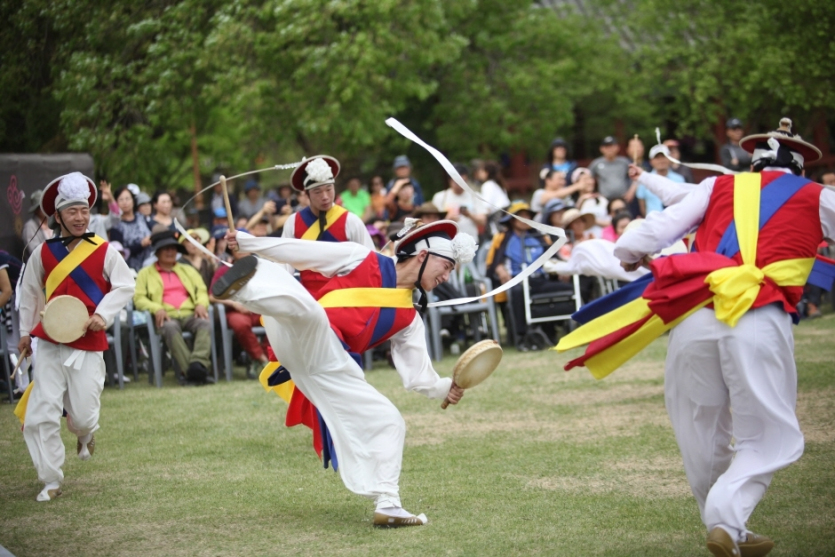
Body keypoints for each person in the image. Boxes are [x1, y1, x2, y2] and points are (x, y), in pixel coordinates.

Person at [559, 118, 831, 557]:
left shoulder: (716, 187)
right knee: (768, 434)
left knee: (701, 430)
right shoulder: (819, 196)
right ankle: (726, 518)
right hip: (757, 315)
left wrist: (628, 255)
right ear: (800, 167)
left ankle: (729, 530)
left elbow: (652, 229)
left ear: (753, 163)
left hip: (696, 316)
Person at [214, 219, 474, 526]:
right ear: (422, 256)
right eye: (445, 266)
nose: (446, 276)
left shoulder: (410, 318)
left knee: (390, 422)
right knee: (307, 309)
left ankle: (388, 503)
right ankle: (244, 286)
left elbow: (417, 374)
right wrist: (247, 244)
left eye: (450, 271)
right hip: (295, 338)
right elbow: (299, 251)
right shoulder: (360, 257)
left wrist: (446, 387)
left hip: (330, 367)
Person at [16, 172, 135, 501]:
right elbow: (27, 295)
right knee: (42, 411)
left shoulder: (105, 250)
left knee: (82, 415)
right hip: (50, 340)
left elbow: (126, 284)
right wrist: (26, 333)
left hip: (87, 341)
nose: (80, 217)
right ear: (58, 216)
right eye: (72, 211)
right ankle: (50, 478)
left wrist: (102, 314)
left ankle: (85, 433)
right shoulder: (42, 253)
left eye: (84, 210)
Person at [281, 155, 375, 297]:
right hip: (308, 298)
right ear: (307, 194)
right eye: (317, 192)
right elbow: (284, 265)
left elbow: (370, 262)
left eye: (329, 189)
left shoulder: (351, 221)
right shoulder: (293, 222)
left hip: (345, 296)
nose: (325, 196)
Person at [486, 202, 571, 349]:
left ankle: (561, 331)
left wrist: (563, 270)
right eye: (520, 216)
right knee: (518, 292)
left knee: (567, 288)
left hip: (540, 279)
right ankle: (522, 337)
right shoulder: (502, 237)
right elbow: (493, 263)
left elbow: (554, 257)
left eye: (527, 216)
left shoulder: (539, 236)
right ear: (512, 219)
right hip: (517, 280)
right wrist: (500, 269)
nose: (524, 219)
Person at [133, 230, 214, 385]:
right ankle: (192, 372)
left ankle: (197, 364)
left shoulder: (188, 270)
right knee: (170, 328)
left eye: (173, 248)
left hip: (190, 314)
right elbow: (139, 298)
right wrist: (156, 308)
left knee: (205, 323)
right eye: (165, 248)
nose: (170, 252)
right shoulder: (145, 273)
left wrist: (200, 304)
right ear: (157, 252)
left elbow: (202, 290)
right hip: (166, 316)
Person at [209, 247, 269, 379]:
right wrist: (234, 304)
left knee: (274, 319)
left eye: (244, 247)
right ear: (231, 251)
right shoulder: (224, 270)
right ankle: (263, 360)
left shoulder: (260, 270)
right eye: (237, 248)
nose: (241, 250)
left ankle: (260, 359)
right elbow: (212, 295)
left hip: (258, 309)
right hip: (236, 312)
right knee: (240, 324)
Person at [432, 164, 487, 241]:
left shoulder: (475, 196)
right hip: (447, 242)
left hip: (470, 242)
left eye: (462, 181)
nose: (459, 185)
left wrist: (469, 214)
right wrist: (447, 219)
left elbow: (483, 221)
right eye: (456, 182)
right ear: (450, 180)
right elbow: (432, 223)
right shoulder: (440, 197)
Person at [111, 186, 152, 271]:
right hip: (130, 270)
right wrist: (141, 245)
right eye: (121, 199)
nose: (125, 202)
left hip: (150, 266)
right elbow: (119, 252)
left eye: (127, 198)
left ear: (133, 201)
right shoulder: (116, 226)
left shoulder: (141, 217)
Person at [636, 145, 685, 216]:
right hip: (652, 223)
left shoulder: (679, 179)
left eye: (664, 156)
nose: (661, 160)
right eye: (657, 158)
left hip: (674, 221)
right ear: (651, 161)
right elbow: (642, 206)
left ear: (669, 158)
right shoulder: (644, 180)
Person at [589, 136, 632, 202]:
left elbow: (635, 177)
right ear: (601, 149)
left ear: (617, 147)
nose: (609, 149)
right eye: (606, 147)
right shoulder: (596, 163)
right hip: (604, 199)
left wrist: (631, 191)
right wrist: (592, 193)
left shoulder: (625, 162)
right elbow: (587, 178)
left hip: (623, 199)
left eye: (612, 146)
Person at [475, 161, 511, 235]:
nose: (479, 173)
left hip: (498, 217)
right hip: (505, 214)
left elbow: (487, 207)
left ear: (486, 172)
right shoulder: (498, 184)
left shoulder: (488, 185)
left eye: (481, 171)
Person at [572, 168, 609, 238]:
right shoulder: (571, 202)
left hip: (603, 240)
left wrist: (591, 220)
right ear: (576, 183)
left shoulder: (602, 200)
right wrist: (581, 200)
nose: (590, 182)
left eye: (590, 178)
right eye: (585, 180)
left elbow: (611, 222)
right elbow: (571, 220)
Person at [21, 190, 52, 261]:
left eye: (47, 205)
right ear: (36, 210)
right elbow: (34, 251)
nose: (46, 209)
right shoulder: (30, 226)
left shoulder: (55, 223)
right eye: (42, 207)